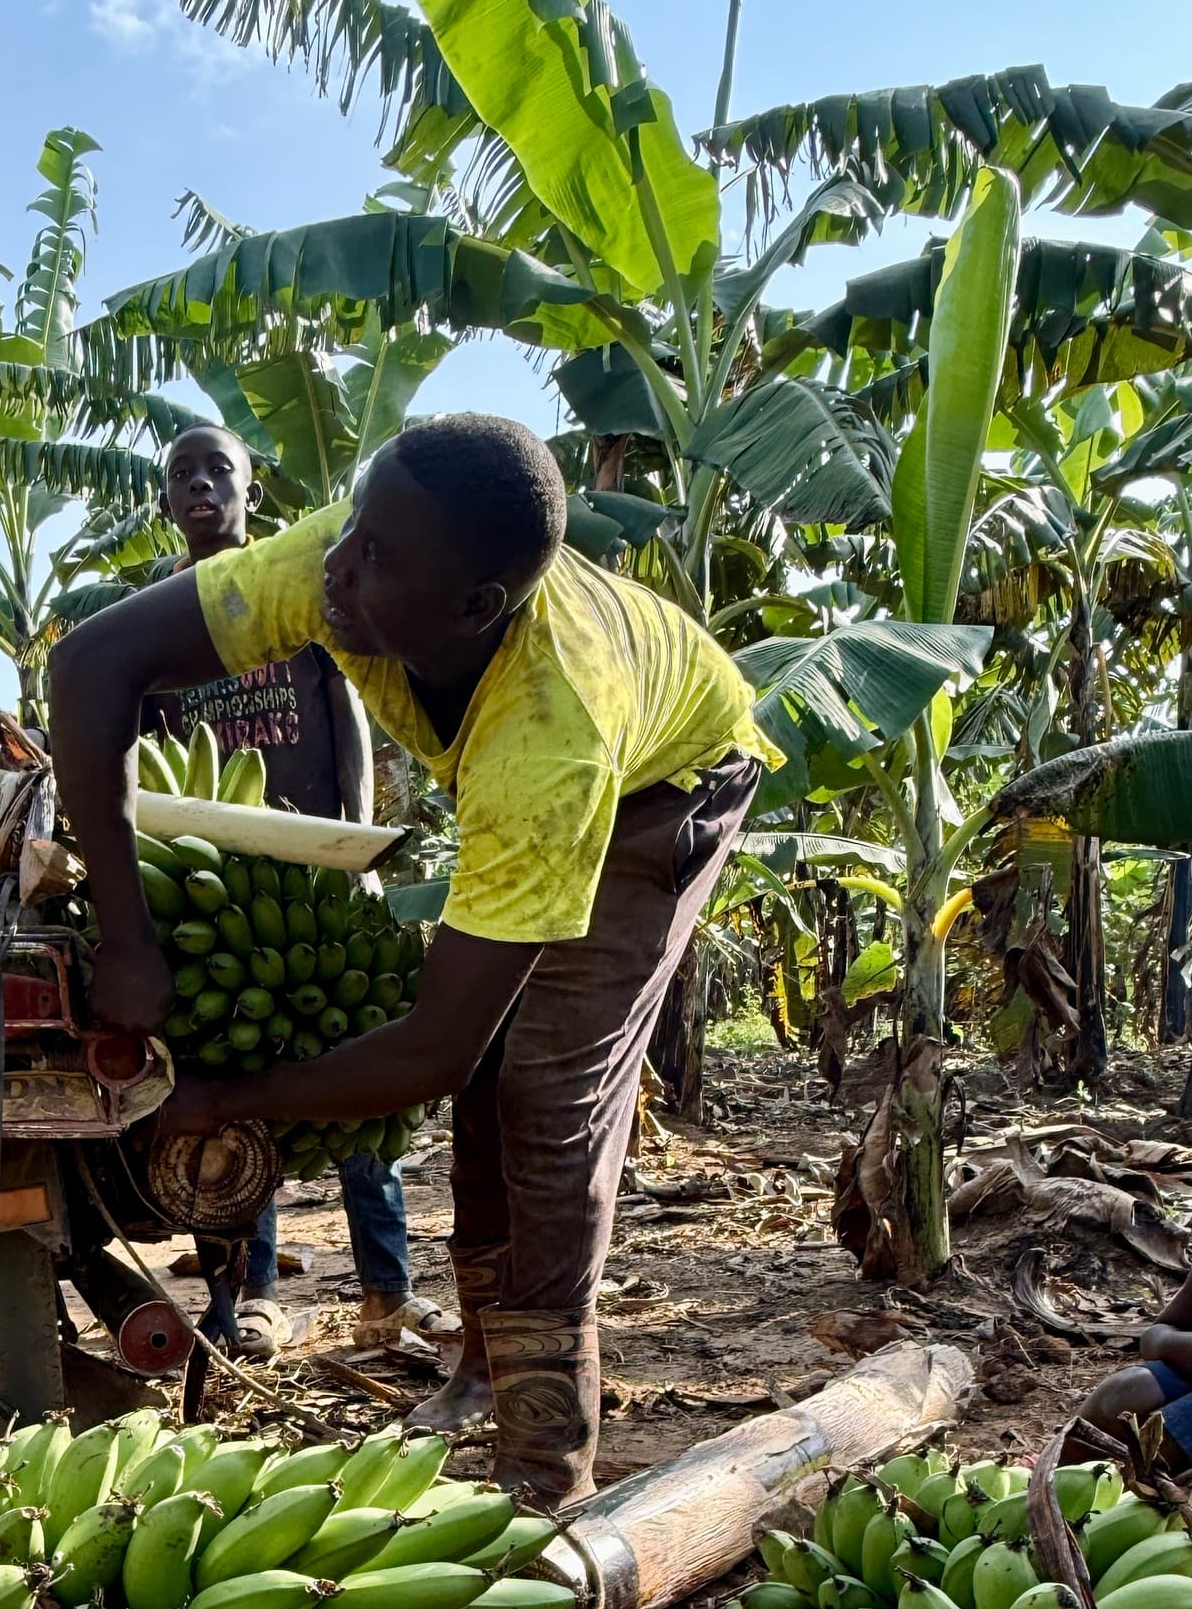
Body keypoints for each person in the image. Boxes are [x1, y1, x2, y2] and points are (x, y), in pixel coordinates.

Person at [52, 411, 778, 1511]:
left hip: (662, 788)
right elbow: (89, 663)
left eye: (376, 558)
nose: (336, 570)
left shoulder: (550, 733)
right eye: (352, 530)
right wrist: (125, 932)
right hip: (543, 765)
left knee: (545, 1094)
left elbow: (433, 1051)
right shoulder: (342, 563)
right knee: (493, 1073)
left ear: (473, 607)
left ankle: (544, 1455)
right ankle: (478, 1367)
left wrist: (223, 1096)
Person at [142, 423, 446, 1358]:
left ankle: (386, 1290)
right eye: (183, 476)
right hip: (214, 890)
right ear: (165, 505)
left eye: (219, 472)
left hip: (317, 872)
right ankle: (246, 1298)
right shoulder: (159, 618)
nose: (201, 487)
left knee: (361, 1081)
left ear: (249, 494)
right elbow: (145, 756)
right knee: (228, 1089)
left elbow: (345, 715)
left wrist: (352, 843)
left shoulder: (297, 587)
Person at [1080, 1092, 1192, 1489]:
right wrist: (1181, 1346)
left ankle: (1120, 1503)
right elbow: (1157, 1334)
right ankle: (1054, 1484)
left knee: (1182, 1429)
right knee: (1123, 1391)